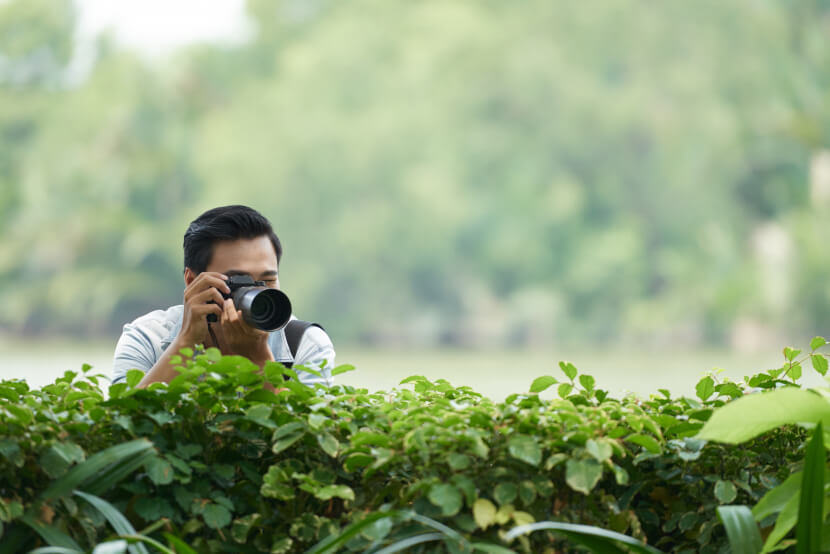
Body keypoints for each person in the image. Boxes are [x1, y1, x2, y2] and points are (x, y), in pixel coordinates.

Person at [111, 205, 335, 388]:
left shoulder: (304, 344)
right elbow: (123, 429)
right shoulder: (147, 338)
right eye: (239, 281)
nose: (258, 294)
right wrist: (185, 342)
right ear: (192, 281)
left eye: (267, 281)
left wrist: (259, 361)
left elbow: (305, 440)